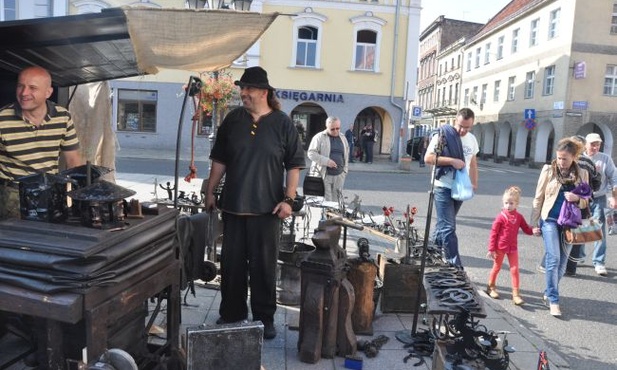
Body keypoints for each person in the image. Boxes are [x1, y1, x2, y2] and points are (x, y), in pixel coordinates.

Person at [205, 66, 305, 340]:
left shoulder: (283, 123)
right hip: (234, 207)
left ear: (264, 92)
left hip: (268, 210)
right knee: (232, 266)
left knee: (264, 267)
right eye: (242, 88)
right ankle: (232, 314)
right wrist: (210, 191)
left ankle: (264, 318)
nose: (243, 93)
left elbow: (294, 165)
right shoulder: (233, 120)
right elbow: (219, 161)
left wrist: (289, 199)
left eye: (248, 89)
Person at [0, 66, 82, 221]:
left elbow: (73, 160)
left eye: (32, 88)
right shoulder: (2, 119)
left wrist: (79, 196)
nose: (24, 93)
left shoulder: (63, 117)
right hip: (11, 196)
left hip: (50, 193)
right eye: (20, 86)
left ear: (48, 92)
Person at [531, 137, 590, 317]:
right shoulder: (549, 170)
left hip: (570, 224)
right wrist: (534, 223)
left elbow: (586, 201)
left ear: (574, 157)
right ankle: (554, 301)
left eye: (565, 158)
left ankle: (548, 293)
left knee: (563, 263)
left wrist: (576, 198)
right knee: (554, 259)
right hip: (549, 219)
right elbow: (538, 197)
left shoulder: (582, 173)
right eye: (559, 157)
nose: (561, 162)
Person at [424, 108, 479, 267]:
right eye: (461, 126)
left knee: (443, 225)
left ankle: (430, 254)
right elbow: (428, 158)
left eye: (467, 127)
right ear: (456, 120)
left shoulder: (472, 139)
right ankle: (455, 265)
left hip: (461, 187)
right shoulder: (443, 135)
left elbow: (473, 163)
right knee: (449, 226)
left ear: (472, 124)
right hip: (442, 186)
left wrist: (474, 183)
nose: (463, 130)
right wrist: (451, 161)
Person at [486, 186, 534, 305]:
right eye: (506, 203)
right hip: (500, 248)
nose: (508, 205)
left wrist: (534, 230)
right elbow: (493, 233)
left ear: (517, 204)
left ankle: (516, 294)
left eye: (511, 203)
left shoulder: (519, 217)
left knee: (515, 270)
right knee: (497, 267)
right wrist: (491, 249)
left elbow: (526, 229)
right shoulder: (501, 217)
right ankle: (491, 287)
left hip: (513, 248)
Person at [580, 133, 617, 276]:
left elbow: (614, 178)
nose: (595, 147)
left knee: (599, 230)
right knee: (582, 226)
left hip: (599, 198)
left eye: (598, 144)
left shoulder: (605, 159)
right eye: (592, 144)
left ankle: (599, 262)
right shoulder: (579, 158)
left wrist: (614, 197)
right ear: (586, 144)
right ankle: (580, 256)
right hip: (582, 198)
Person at [307, 117, 349, 202]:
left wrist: (345, 170)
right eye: (332, 129)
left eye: (338, 128)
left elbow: (346, 154)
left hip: (339, 175)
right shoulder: (319, 137)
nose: (336, 131)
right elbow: (311, 153)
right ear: (327, 127)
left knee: (337, 202)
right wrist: (326, 161)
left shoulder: (343, 138)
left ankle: (335, 215)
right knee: (326, 202)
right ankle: (325, 215)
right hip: (324, 175)